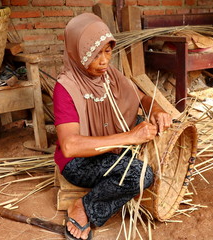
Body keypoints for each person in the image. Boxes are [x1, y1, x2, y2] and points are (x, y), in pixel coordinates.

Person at [53, 13, 172, 240]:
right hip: (80, 162)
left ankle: (89, 203)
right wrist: (129, 137)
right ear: (77, 54)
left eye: (107, 51)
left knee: (147, 124)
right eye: (95, 54)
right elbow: (69, 146)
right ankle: (85, 206)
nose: (104, 61)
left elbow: (141, 98)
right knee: (140, 175)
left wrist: (156, 110)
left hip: (112, 144)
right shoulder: (66, 88)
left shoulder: (109, 75)